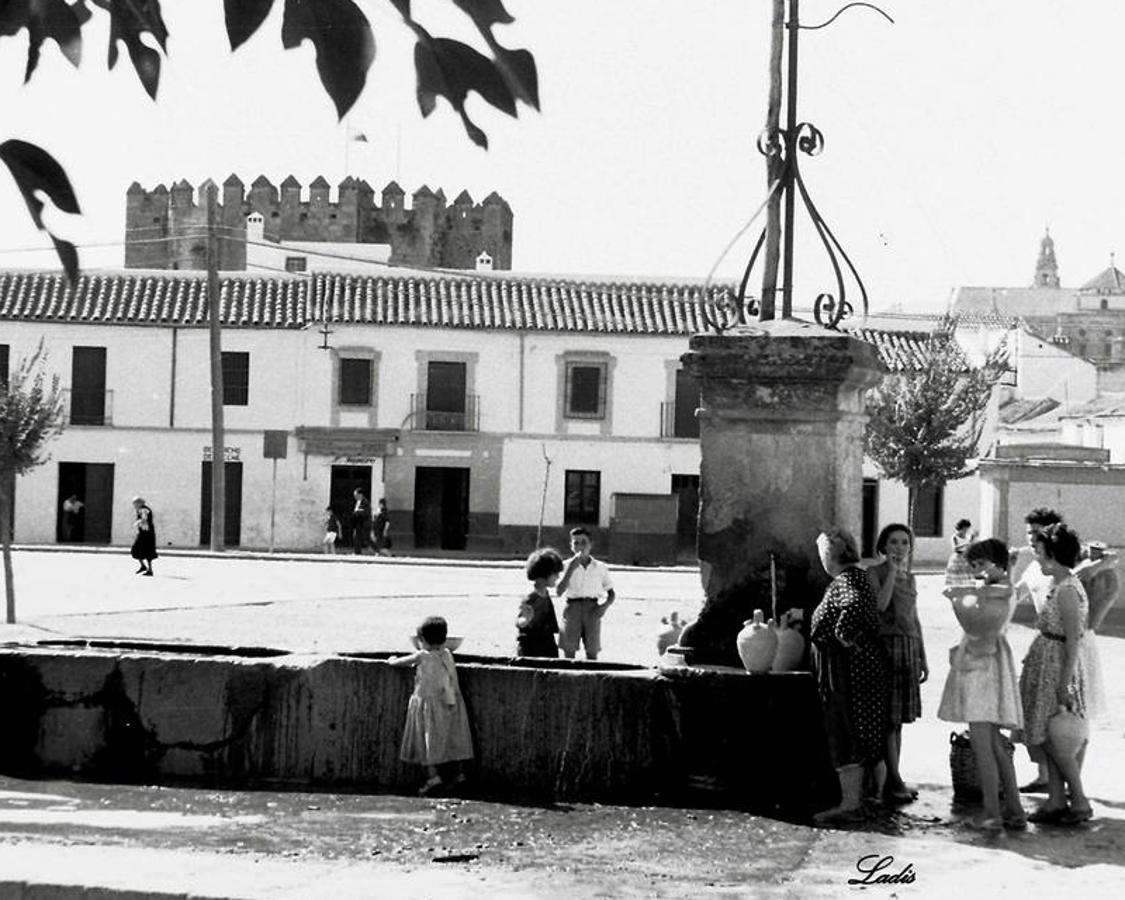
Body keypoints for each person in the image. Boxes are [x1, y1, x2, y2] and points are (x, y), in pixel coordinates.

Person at [938, 538, 1026, 831]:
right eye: (973, 565)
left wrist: (956, 600)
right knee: (994, 745)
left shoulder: (998, 591)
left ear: (997, 562)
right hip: (989, 663)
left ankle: (992, 812)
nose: (977, 570)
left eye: (980, 564)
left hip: (983, 670)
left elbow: (973, 624)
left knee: (983, 745)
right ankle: (1013, 809)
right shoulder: (997, 588)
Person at [1017, 523, 1093, 825]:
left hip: (1056, 666)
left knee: (1058, 739)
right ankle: (1056, 800)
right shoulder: (1060, 585)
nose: (1037, 558)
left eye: (1040, 553)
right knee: (1045, 735)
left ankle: (1080, 801)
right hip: (1045, 661)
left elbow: (1074, 638)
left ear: (1053, 555)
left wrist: (1064, 683)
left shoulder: (1067, 590)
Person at [810, 526, 890, 802]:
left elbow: (853, 606)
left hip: (846, 670)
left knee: (846, 729)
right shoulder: (857, 576)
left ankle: (851, 802)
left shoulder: (846, 581)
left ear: (829, 556)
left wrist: (844, 635)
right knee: (868, 731)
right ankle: (873, 796)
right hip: (862, 666)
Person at [865, 523, 928, 805]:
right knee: (889, 721)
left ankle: (895, 775)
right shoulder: (874, 573)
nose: (899, 548)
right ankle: (894, 779)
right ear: (883, 546)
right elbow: (879, 605)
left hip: (908, 647)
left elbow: (914, 618)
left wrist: (923, 654)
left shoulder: (911, 578)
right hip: (887, 647)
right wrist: (890, 571)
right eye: (894, 542)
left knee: (900, 721)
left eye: (904, 543)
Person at [387, 616, 474, 796]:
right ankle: (459, 775)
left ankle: (433, 778)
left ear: (422, 640)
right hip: (451, 704)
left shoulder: (422, 656)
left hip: (429, 706)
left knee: (428, 741)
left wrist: (391, 660)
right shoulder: (447, 655)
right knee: (453, 739)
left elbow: (400, 663)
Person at [1010, 506, 1063, 792]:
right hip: (1041, 643)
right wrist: (1007, 567)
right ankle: (1044, 776)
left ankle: (1064, 779)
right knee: (1030, 710)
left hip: (1064, 644)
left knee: (1059, 714)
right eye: (1028, 532)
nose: (1031, 538)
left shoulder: (1066, 566)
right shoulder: (1033, 566)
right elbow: (1014, 596)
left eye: (1037, 532)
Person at [556, 527, 615, 661]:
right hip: (573, 608)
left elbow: (611, 593)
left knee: (592, 651)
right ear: (571, 546)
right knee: (569, 650)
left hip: (592, 609)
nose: (580, 547)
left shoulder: (600, 567)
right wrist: (571, 568)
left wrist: (603, 608)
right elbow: (559, 591)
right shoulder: (565, 566)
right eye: (576, 543)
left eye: (584, 542)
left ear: (590, 545)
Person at [516, 548, 564, 657]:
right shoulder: (532, 597)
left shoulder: (545, 594)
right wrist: (525, 620)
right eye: (555, 573)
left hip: (546, 643)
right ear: (544, 573)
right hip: (532, 646)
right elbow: (519, 621)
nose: (557, 577)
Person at [130, 496, 157, 576]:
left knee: (146, 550)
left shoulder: (143, 510)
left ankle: (149, 570)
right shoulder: (141, 510)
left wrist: (137, 523)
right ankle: (143, 566)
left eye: (135, 504)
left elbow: (144, 519)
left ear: (139, 503)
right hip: (144, 533)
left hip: (146, 533)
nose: (134, 506)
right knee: (137, 549)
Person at [945, 518, 976, 587]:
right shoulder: (954, 537)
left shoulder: (967, 537)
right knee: (956, 577)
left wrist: (972, 541)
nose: (966, 530)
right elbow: (955, 548)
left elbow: (970, 546)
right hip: (957, 558)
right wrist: (967, 543)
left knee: (967, 576)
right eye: (965, 529)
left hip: (965, 558)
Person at [351, 488, 371, 555]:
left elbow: (365, 512)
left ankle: (377, 550)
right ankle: (357, 552)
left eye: (356, 495)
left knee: (366, 539)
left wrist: (357, 512)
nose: (354, 496)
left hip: (363, 523)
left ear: (360, 495)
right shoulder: (358, 502)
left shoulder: (365, 502)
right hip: (358, 523)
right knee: (356, 537)